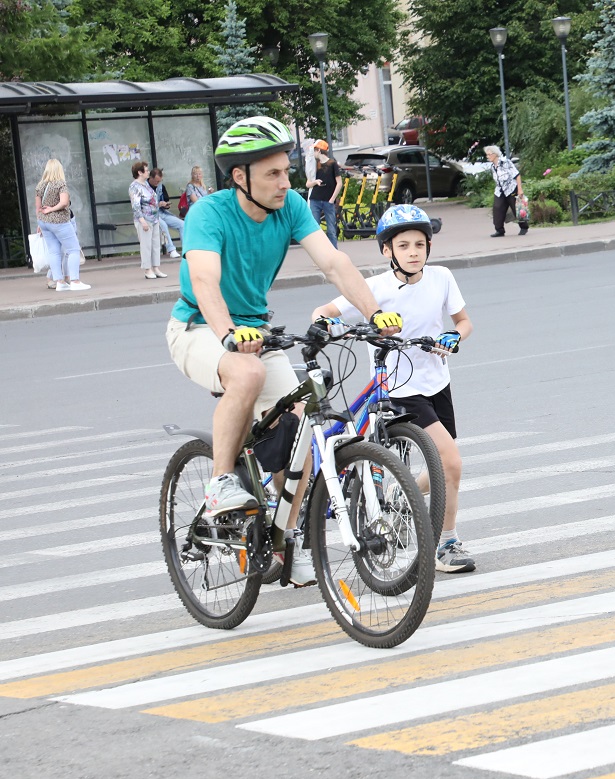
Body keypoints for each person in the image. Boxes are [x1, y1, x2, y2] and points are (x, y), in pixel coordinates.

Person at [164, 116, 402, 587]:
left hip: (256, 332)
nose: (285, 182)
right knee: (247, 376)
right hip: (198, 327)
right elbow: (206, 282)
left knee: (305, 421)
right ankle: (218, 486)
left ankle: (281, 541)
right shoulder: (208, 214)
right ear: (240, 177)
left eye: (286, 171)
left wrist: (374, 313)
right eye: (272, 174)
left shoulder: (290, 206)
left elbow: (333, 261)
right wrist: (230, 334)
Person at [311, 204, 476, 573]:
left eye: (420, 244)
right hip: (399, 388)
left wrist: (454, 334)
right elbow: (323, 312)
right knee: (451, 463)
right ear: (388, 251)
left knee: (443, 467)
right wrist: (329, 326)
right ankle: (447, 544)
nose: (414, 251)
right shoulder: (373, 289)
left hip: (437, 383)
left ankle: (404, 498)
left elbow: (464, 322)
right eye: (404, 245)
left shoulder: (442, 277)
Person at [34, 158, 89, 292]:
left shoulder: (40, 185)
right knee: (73, 249)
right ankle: (75, 280)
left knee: (54, 252)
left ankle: (59, 282)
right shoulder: (61, 184)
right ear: (59, 169)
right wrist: (52, 209)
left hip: (44, 222)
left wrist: (40, 222)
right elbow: (64, 203)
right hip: (59, 221)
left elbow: (38, 208)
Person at [130, 161, 167, 279]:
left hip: (154, 218)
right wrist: (142, 221)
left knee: (156, 244)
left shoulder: (146, 184)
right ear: (139, 172)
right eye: (146, 170)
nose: (148, 172)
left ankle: (155, 267)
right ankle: (147, 269)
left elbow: (153, 199)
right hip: (144, 219)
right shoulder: (134, 186)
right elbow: (136, 205)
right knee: (146, 245)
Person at [305, 139, 342, 248]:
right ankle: (319, 254)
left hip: (328, 200)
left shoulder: (332, 164)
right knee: (315, 229)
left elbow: (339, 183)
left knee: (331, 229)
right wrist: (315, 182)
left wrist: (332, 199)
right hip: (315, 199)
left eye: (315, 150)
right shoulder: (315, 165)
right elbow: (307, 184)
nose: (314, 153)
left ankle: (334, 253)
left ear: (319, 151)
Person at [484, 144, 527, 237]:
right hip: (500, 190)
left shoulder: (505, 162)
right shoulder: (492, 166)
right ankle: (499, 230)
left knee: (517, 208)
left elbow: (517, 175)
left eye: (489, 154)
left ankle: (524, 227)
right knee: (497, 208)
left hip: (511, 189)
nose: (487, 156)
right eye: (487, 155)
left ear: (495, 154)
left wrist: (519, 189)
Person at [148, 167, 183, 259]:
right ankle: (171, 250)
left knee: (182, 224)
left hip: (162, 212)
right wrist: (157, 204)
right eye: (156, 181)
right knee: (163, 225)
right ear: (150, 178)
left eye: (159, 181)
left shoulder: (161, 186)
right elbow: (144, 205)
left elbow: (165, 199)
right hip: (151, 214)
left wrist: (166, 205)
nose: (157, 183)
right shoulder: (144, 187)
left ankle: (186, 248)